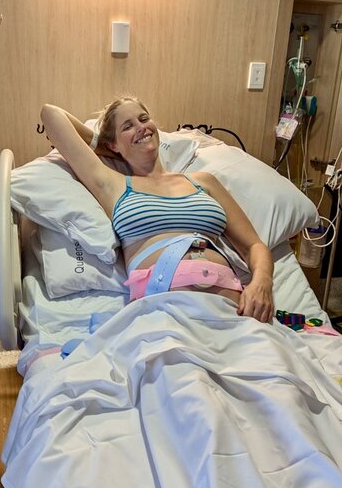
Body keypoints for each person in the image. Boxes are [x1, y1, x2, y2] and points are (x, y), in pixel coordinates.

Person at [40, 95, 274, 322]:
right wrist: (108, 147)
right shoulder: (114, 184)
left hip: (230, 311)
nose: (141, 128)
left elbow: (254, 245)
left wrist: (262, 282)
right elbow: (51, 114)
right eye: (128, 126)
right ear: (112, 143)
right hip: (161, 314)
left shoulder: (204, 181)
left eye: (144, 119)